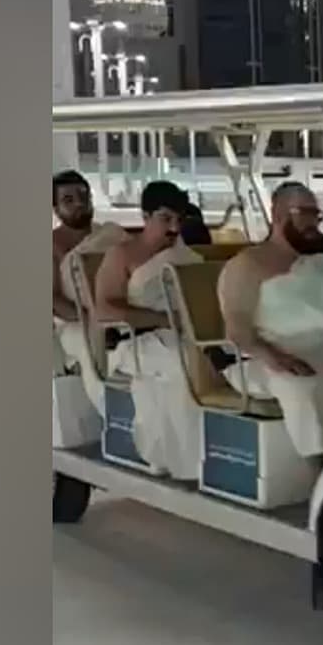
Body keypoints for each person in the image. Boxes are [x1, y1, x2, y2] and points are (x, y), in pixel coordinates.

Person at [216, 182, 323, 458]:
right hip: (262, 359)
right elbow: (237, 329)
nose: (312, 223)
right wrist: (278, 359)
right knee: (301, 386)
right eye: (304, 213)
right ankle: (320, 470)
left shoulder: (321, 261)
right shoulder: (247, 264)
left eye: (316, 215)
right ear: (278, 215)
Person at [95, 181, 204, 479]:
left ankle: (202, 456)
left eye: (179, 220)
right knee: (183, 365)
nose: (174, 228)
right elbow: (104, 309)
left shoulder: (186, 256)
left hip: (181, 336)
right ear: (145, 217)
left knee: (211, 359)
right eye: (165, 219)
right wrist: (161, 319)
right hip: (133, 342)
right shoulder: (121, 255)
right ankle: (179, 459)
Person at [51, 171, 127, 397]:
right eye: (69, 200)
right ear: (55, 209)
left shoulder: (110, 235)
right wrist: (94, 321)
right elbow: (53, 300)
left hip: (117, 314)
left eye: (84, 196)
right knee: (90, 347)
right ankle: (104, 406)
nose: (79, 204)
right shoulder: (51, 245)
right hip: (75, 322)